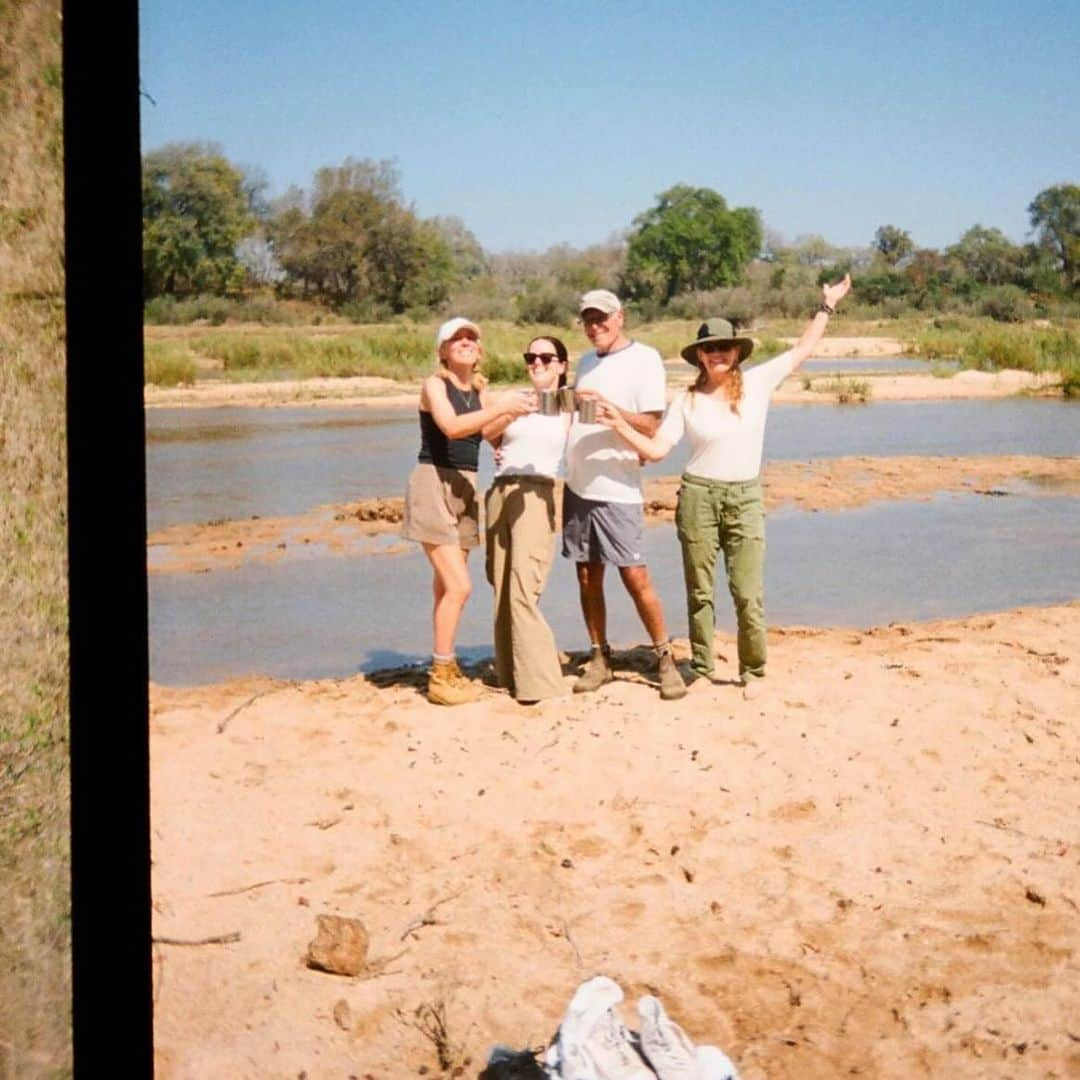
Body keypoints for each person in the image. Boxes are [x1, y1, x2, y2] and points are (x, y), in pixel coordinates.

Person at [596, 275, 853, 699]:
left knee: (747, 592)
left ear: (736, 353)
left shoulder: (758, 383)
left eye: (723, 347)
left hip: (745, 496)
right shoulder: (686, 400)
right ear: (699, 356)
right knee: (699, 591)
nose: (716, 354)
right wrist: (620, 424)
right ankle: (701, 664)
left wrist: (827, 305)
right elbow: (658, 449)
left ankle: (753, 670)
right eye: (709, 349)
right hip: (698, 496)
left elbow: (804, 349)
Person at [402, 317, 534, 706]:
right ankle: (441, 675)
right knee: (460, 586)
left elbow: (486, 433)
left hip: (465, 486)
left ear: (479, 349)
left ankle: (447, 663)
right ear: (442, 351)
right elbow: (452, 428)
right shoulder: (434, 385)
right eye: (455, 338)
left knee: (446, 587)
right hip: (433, 484)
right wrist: (502, 408)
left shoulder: (478, 391)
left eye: (471, 338)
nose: (465, 342)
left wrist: (517, 411)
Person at [563, 289, 687, 701]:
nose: (594, 326)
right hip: (579, 484)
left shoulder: (645, 359)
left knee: (635, 575)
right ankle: (600, 657)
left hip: (619, 487)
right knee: (586, 575)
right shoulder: (583, 363)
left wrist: (612, 410)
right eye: (588, 320)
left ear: (620, 318)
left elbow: (651, 424)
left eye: (601, 318)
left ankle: (665, 658)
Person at [481, 336, 573, 703]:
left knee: (524, 584)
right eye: (531, 357)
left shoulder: (569, 403)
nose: (537, 363)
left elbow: (593, 432)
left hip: (538, 492)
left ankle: (542, 683)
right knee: (501, 584)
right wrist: (505, 413)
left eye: (546, 358)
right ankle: (510, 673)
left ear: (562, 365)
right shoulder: (517, 399)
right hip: (500, 490)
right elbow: (488, 434)